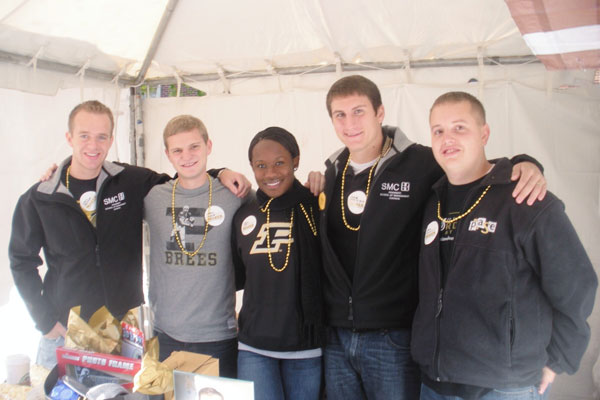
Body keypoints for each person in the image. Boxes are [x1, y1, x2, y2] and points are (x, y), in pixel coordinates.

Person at [313, 75, 548, 400]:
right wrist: (218, 172)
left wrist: (525, 163)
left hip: (393, 337)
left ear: (380, 113)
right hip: (337, 337)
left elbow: (475, 170)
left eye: (358, 111)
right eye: (340, 115)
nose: (349, 123)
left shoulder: (421, 162)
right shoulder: (332, 172)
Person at [8, 101, 250, 369]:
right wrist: (45, 322)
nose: (93, 145)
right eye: (84, 136)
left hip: (122, 333)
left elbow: (186, 179)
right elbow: (21, 261)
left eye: (102, 136)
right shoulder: (41, 197)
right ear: (69, 138)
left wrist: (220, 173)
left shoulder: (131, 182)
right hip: (64, 333)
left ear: (112, 139)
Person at [411, 91, 597, 400]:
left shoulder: (525, 199)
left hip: (503, 387)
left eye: (460, 127)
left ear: (484, 134)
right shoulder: (432, 201)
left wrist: (559, 360)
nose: (448, 138)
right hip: (435, 383)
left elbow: (577, 285)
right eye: (438, 130)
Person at [144, 115, 245, 378]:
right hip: (165, 334)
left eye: (194, 147)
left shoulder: (235, 195)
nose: (186, 156)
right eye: (177, 150)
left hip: (217, 336)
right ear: (167, 154)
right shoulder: (153, 197)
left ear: (208, 146)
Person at [232, 127, 324, 399]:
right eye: (261, 166)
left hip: (306, 348)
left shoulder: (317, 206)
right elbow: (238, 278)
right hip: (254, 349)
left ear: (296, 160)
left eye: (280, 163)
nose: (270, 173)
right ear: (251, 167)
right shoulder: (244, 214)